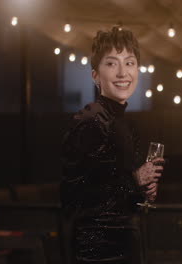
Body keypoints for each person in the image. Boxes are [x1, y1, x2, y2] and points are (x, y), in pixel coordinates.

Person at [60, 26, 163, 264]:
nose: (122, 73)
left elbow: (115, 188)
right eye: (111, 64)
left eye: (129, 63)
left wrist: (142, 190)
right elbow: (75, 198)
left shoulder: (122, 123)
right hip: (97, 252)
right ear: (95, 75)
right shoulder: (90, 121)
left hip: (124, 244)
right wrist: (135, 180)